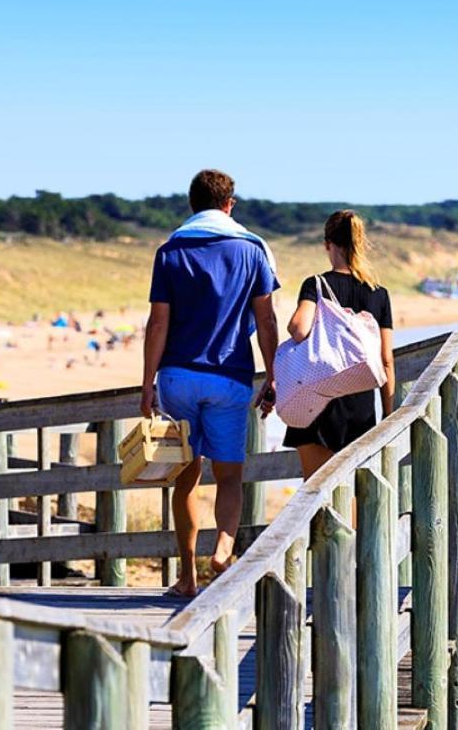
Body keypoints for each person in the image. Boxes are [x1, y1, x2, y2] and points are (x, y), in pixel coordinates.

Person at [142, 170, 279, 598]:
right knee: (229, 476)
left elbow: (158, 323)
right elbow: (266, 318)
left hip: (178, 377)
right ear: (229, 203)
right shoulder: (252, 251)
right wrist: (273, 375)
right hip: (230, 376)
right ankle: (222, 549)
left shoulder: (170, 252)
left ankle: (186, 576)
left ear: (191, 203)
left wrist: (147, 383)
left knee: (185, 477)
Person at [282, 210, 395, 478]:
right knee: (353, 495)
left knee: (317, 496)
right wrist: (388, 416)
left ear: (327, 244)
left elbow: (299, 329)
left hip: (316, 399)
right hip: (360, 407)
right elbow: (386, 359)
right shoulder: (379, 294)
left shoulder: (316, 285)